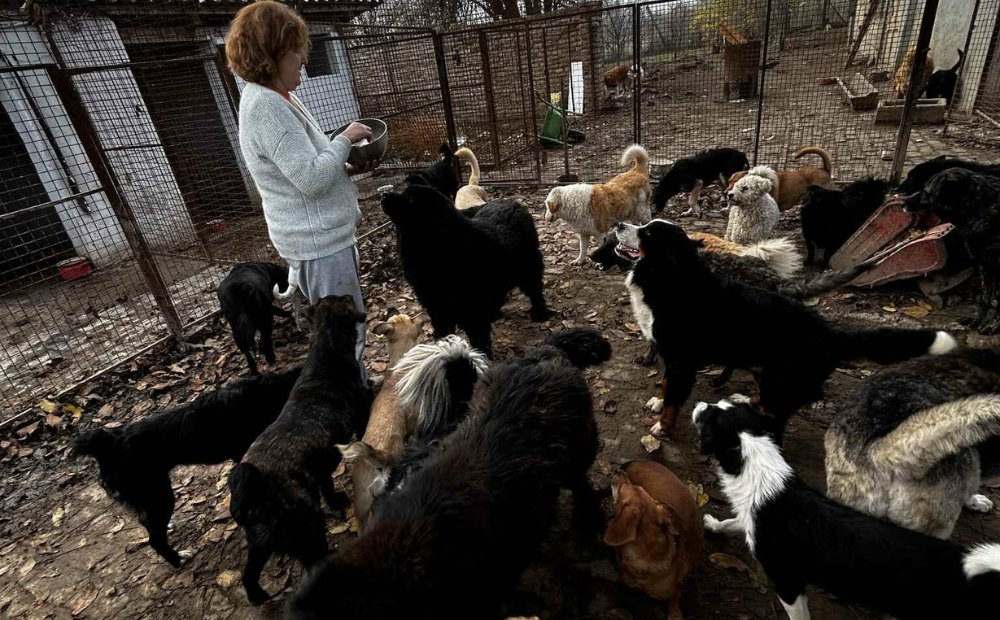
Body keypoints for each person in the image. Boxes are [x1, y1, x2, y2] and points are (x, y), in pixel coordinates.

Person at [225, 1, 376, 383]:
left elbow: (301, 169)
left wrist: (346, 167)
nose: (304, 61)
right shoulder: (267, 107)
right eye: (296, 52)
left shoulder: (277, 96)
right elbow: (310, 178)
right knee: (345, 336)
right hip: (318, 245)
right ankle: (352, 402)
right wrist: (344, 140)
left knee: (344, 332)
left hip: (322, 238)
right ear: (272, 54)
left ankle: (351, 393)